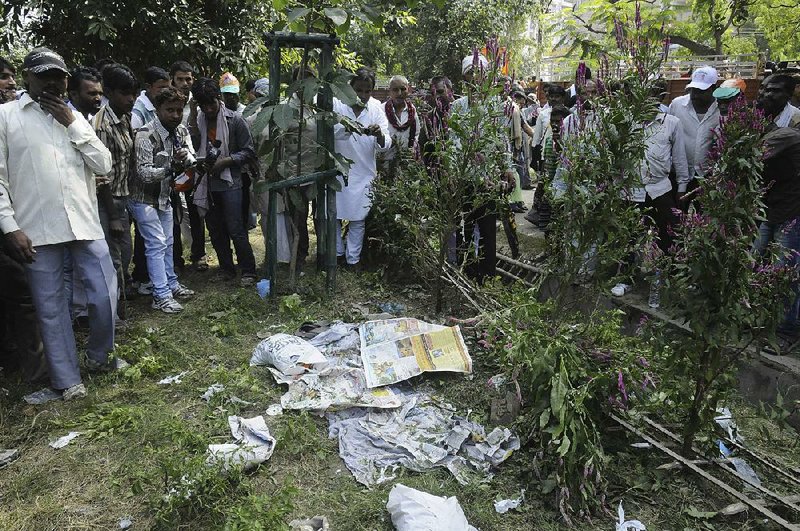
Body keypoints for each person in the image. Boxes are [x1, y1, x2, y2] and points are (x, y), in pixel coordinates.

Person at [0, 47, 117, 399]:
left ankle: (101, 357)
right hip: (36, 227)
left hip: (83, 221)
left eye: (59, 76)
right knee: (50, 308)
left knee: (103, 295)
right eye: (44, 75)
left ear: (67, 79)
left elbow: (104, 164)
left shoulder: (76, 116)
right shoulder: (6, 117)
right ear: (28, 79)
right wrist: (9, 226)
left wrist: (72, 124)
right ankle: (68, 382)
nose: (53, 82)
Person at [129, 86, 195, 313]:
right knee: (156, 244)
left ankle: (171, 284)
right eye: (170, 110)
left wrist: (187, 158)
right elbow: (143, 173)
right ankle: (161, 295)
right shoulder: (145, 135)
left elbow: (191, 157)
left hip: (165, 197)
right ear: (157, 109)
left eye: (179, 110)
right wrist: (170, 168)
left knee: (167, 242)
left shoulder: (181, 131)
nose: (175, 115)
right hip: (143, 199)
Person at [451, 54, 516, 281]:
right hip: (466, 178)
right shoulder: (457, 107)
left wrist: (507, 168)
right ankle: (467, 273)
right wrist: (453, 172)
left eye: (478, 75)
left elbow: (501, 140)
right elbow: (453, 143)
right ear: (464, 78)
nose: (474, 79)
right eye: (470, 75)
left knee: (487, 229)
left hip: (488, 179)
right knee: (467, 226)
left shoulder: (495, 106)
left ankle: (487, 276)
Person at [191, 77, 257, 285]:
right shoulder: (198, 120)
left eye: (211, 104)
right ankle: (226, 268)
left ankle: (248, 270)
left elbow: (248, 151)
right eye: (203, 106)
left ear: (218, 99)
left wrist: (226, 162)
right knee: (216, 229)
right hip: (206, 182)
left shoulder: (235, 120)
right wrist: (193, 114)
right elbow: (191, 145)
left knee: (236, 228)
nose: (208, 109)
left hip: (231, 182)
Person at [333, 67, 392, 269]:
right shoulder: (337, 104)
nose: (363, 96)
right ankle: (337, 255)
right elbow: (329, 134)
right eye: (359, 90)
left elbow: (386, 142)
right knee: (335, 216)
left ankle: (353, 260)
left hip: (365, 172)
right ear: (351, 88)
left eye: (368, 91)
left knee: (359, 219)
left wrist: (379, 135)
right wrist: (347, 128)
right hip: (339, 169)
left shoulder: (376, 108)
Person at [92, 64, 138, 320]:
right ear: (109, 92)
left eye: (132, 93)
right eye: (124, 93)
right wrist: (112, 215)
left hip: (123, 198)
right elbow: (102, 175)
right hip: (107, 202)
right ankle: (115, 317)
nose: (130, 98)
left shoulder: (125, 118)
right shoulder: (102, 125)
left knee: (124, 255)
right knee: (114, 260)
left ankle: (119, 312)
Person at [753, 114, 800, 351]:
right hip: (772, 211)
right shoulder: (783, 134)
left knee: (785, 274)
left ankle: (786, 330)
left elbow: (751, 157)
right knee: (754, 262)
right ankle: (756, 318)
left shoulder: (789, 136)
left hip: (790, 216)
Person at [668, 66, 720, 205]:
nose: (695, 95)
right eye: (692, 90)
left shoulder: (721, 110)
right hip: (677, 172)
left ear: (714, 88)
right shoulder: (677, 105)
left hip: (706, 175)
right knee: (676, 215)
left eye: (701, 91)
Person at [382, 75, 420, 175]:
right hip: (383, 164)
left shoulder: (412, 111)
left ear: (408, 89)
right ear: (389, 91)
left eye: (403, 89)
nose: (399, 93)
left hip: (406, 164)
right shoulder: (381, 110)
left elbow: (416, 135)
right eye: (395, 90)